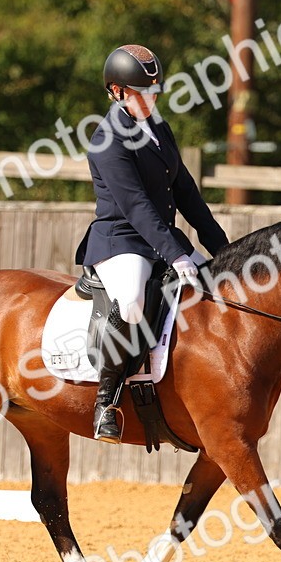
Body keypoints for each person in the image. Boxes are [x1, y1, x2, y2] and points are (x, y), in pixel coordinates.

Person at [75, 44, 230, 443]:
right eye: (142, 93)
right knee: (131, 301)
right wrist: (177, 253)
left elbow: (188, 195)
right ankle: (105, 403)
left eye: (155, 92)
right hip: (121, 242)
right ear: (116, 91)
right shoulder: (106, 140)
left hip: (162, 238)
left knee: (215, 286)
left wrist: (225, 250)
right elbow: (136, 206)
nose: (151, 99)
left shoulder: (159, 128)